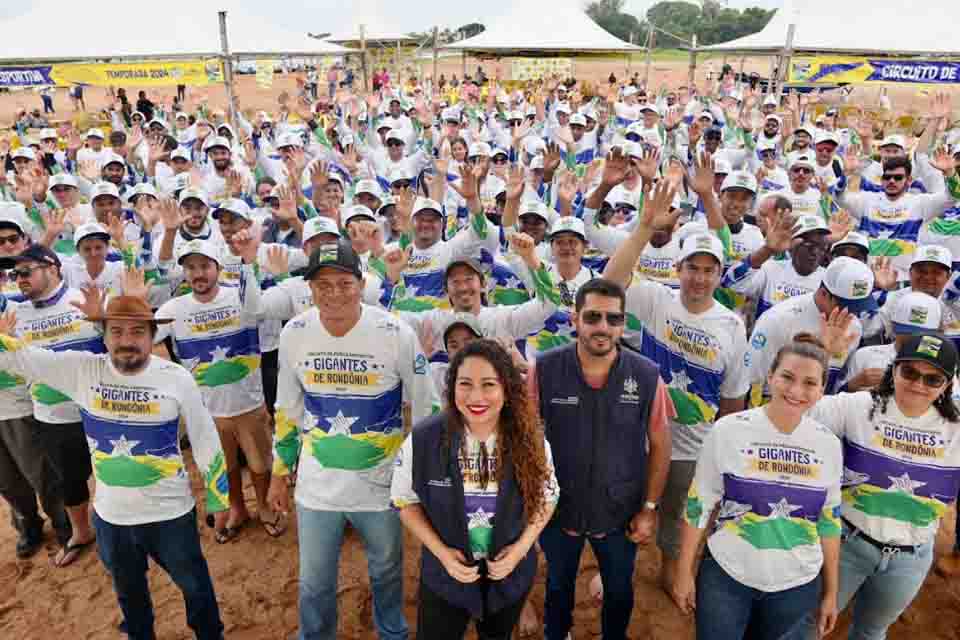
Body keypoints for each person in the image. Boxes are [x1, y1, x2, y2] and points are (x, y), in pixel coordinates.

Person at [0, 290, 228, 640]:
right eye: (116, 331)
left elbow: (205, 436)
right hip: (111, 519)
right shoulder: (82, 370)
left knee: (196, 588)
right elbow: (22, 359)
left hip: (171, 515)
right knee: (130, 595)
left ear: (152, 336)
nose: (126, 341)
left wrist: (218, 497)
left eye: (137, 332)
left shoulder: (176, 378)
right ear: (103, 336)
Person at [267, 238, 439, 640]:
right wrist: (279, 472)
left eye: (344, 283)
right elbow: (287, 411)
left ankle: (391, 632)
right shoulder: (294, 333)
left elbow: (426, 408)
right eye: (322, 285)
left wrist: (421, 476)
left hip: (381, 486)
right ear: (309, 289)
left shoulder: (394, 332)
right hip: (316, 487)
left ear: (361, 284)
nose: (334, 294)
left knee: (386, 570)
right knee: (314, 580)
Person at [603, 179, 751, 593]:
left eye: (709, 270)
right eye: (692, 268)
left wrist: (725, 453)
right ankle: (616, 571)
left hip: (693, 447)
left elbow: (733, 399)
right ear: (677, 268)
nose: (699, 279)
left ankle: (671, 572)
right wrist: (644, 228)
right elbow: (611, 282)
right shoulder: (655, 300)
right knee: (627, 505)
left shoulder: (731, 327)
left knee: (679, 516)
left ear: (720, 275)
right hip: (638, 435)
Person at [672, 334, 843, 640]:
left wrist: (831, 591)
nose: (795, 390)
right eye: (787, 377)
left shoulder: (828, 444)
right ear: (770, 377)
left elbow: (829, 521)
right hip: (727, 576)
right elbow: (699, 504)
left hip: (796, 585)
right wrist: (684, 571)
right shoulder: (729, 430)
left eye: (809, 383)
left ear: (822, 390)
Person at [531, 277, 674, 640]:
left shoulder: (646, 376)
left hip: (620, 511)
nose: (603, 327)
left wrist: (649, 507)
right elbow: (525, 437)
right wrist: (531, 499)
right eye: (593, 317)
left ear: (623, 324)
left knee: (619, 590)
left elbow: (660, 443)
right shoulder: (545, 369)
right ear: (575, 319)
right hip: (559, 508)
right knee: (559, 586)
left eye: (613, 319)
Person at [797, 332, 960, 640]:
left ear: (947, 385)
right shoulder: (858, 407)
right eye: (910, 372)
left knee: (871, 633)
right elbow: (793, 409)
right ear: (894, 369)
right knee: (811, 624)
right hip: (846, 545)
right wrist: (822, 361)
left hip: (910, 561)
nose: (918, 385)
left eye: (932, 380)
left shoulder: (956, 431)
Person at [392, 339, 558, 639]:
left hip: (507, 576)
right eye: (465, 383)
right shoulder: (423, 440)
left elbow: (548, 497)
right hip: (445, 577)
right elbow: (405, 501)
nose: (476, 396)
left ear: (506, 389)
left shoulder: (530, 441)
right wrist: (442, 554)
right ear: (452, 388)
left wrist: (519, 551)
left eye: (489, 384)